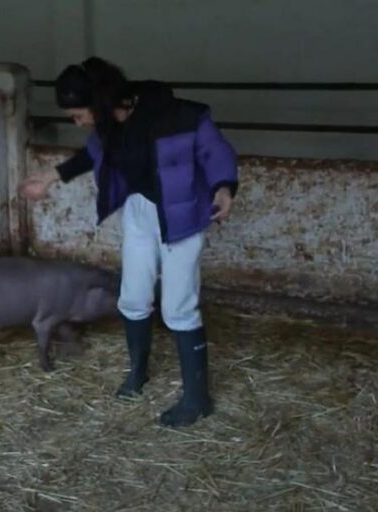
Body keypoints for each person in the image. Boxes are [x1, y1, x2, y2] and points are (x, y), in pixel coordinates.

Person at [19, 57, 239, 427]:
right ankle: (139, 372)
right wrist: (50, 178)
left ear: (100, 102)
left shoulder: (178, 115)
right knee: (133, 297)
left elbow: (215, 151)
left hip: (181, 215)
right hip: (140, 211)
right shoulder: (108, 127)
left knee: (177, 307)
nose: (78, 122)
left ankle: (197, 399)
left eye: (77, 114)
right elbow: (92, 155)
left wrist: (224, 187)